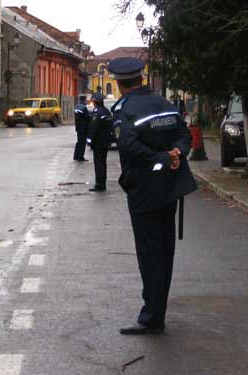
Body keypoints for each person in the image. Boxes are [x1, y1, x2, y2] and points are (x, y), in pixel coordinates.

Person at [107, 57, 197, 335]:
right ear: (141, 78)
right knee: (165, 250)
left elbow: (128, 145)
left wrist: (158, 157)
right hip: (169, 187)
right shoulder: (164, 104)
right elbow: (185, 134)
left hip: (144, 189)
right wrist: (176, 154)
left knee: (149, 253)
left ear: (121, 84)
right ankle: (158, 310)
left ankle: (151, 317)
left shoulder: (125, 109)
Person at [87, 93, 112, 192]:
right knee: (103, 163)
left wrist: (89, 140)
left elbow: (93, 127)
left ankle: (99, 185)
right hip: (106, 142)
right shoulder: (106, 111)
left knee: (98, 164)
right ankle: (102, 183)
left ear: (95, 102)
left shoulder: (97, 112)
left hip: (98, 142)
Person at [73, 95, 91, 162]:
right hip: (83, 128)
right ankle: (81, 157)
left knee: (79, 142)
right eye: (86, 99)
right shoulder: (84, 107)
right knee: (82, 143)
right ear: (84, 100)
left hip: (78, 127)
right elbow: (87, 118)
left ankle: (76, 156)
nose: (86, 101)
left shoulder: (77, 106)